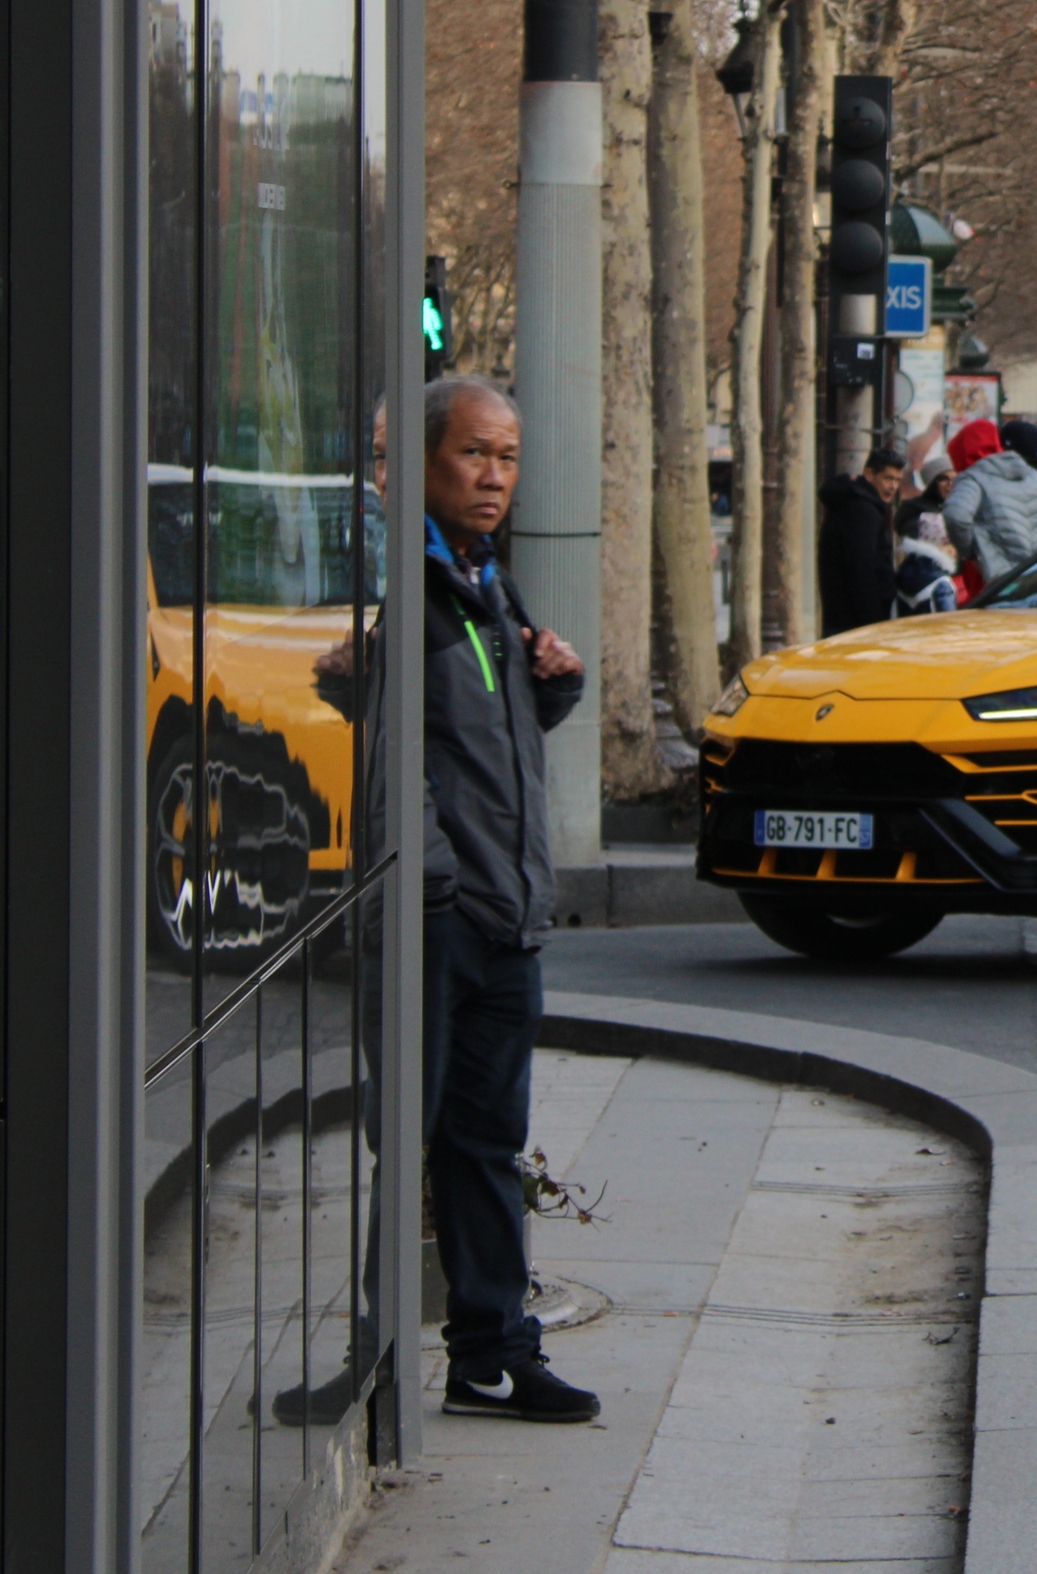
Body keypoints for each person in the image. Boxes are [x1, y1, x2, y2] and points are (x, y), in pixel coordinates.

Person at [416, 376, 601, 1423]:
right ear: (428, 457)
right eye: (475, 452)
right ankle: (377, 1346)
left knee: (487, 1143)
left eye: (508, 457)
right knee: (406, 1137)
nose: (494, 476)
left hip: (505, 917)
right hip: (444, 914)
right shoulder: (400, 580)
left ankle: (491, 1351)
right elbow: (381, 737)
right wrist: (436, 873)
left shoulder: (491, 578)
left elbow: (494, 737)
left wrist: (555, 684)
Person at [945, 417, 1037, 587]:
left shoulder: (972, 479)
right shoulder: (1029, 474)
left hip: (1003, 580)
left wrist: (969, 552)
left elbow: (956, 516)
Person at [817, 445, 905, 635]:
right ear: (870, 474)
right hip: (856, 623)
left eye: (897, 480)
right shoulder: (863, 511)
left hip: (843, 619)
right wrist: (873, 623)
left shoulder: (857, 505)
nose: (893, 487)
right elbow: (862, 570)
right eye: (888, 478)